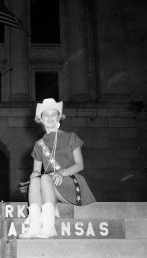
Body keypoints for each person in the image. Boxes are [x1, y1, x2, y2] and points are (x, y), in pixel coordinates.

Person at [19, 98, 96, 239]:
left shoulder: (70, 137)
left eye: (53, 114)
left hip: (71, 182)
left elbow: (80, 165)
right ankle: (35, 226)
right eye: (46, 115)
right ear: (40, 119)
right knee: (36, 181)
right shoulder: (39, 144)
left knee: (44, 177)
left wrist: (62, 172)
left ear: (59, 117)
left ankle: (49, 227)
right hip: (50, 183)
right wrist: (32, 176)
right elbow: (36, 171)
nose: (50, 118)